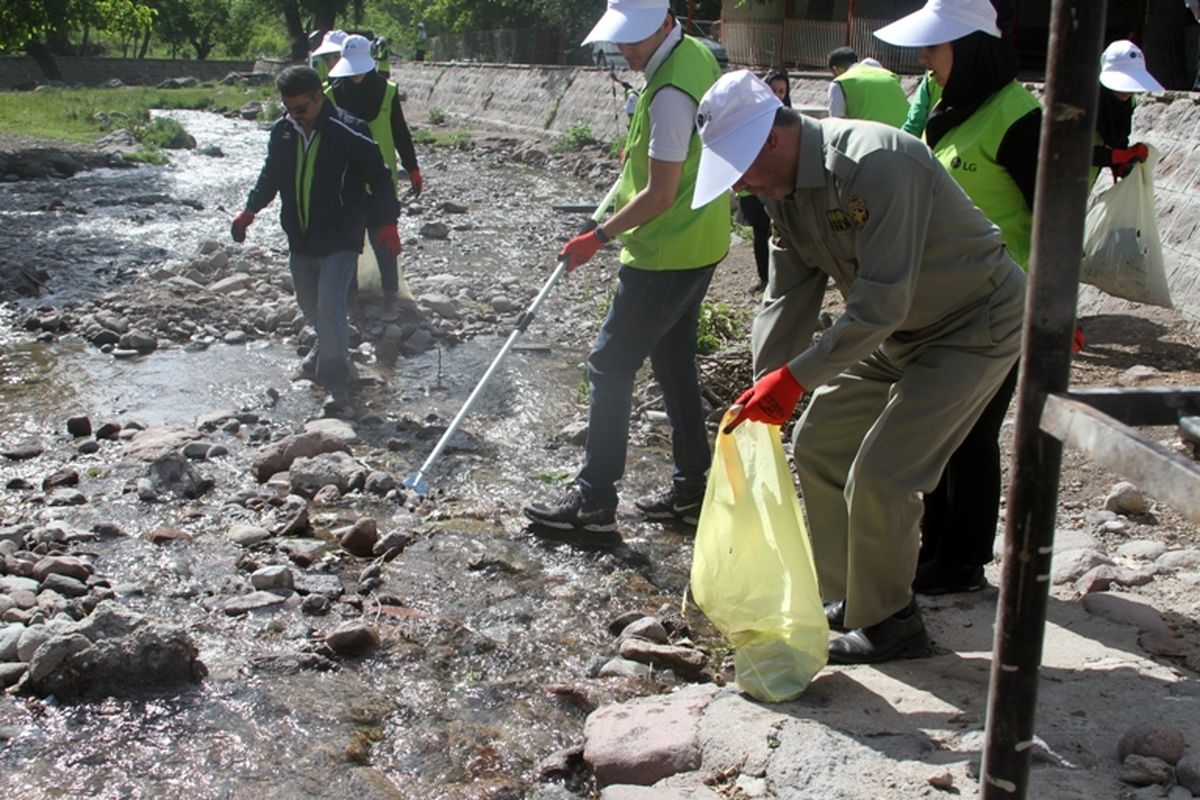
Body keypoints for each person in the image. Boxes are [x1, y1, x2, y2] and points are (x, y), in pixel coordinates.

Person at [691, 69, 1025, 663]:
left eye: (741, 166)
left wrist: (794, 379)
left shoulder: (876, 161)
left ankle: (894, 624)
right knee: (819, 440)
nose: (741, 184)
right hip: (896, 332)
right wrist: (762, 391)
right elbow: (785, 300)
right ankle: (851, 599)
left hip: (973, 323)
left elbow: (882, 301)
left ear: (773, 135)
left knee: (886, 473)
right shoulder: (782, 196)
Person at [523, 0, 729, 533]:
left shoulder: (668, 94)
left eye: (633, 39)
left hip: (664, 253)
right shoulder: (695, 55)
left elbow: (661, 193)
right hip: (701, 242)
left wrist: (598, 236)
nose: (625, 50)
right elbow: (676, 158)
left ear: (665, 23)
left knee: (609, 364)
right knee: (673, 363)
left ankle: (593, 503)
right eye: (622, 38)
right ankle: (692, 489)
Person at [875, 0, 1042, 595]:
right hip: (943, 302)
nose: (925, 60)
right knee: (943, 431)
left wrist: (1055, 307)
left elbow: (1055, 219)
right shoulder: (950, 109)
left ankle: (963, 560)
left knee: (973, 432)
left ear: (968, 48)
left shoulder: (1018, 118)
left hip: (1001, 304)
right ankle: (936, 548)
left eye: (934, 49)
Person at [231, 66, 401, 415]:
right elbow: (271, 175)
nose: (296, 116)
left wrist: (387, 224)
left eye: (301, 109)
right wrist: (250, 211)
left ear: (318, 97)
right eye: (288, 108)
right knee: (309, 305)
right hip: (301, 238)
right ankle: (327, 344)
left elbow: (381, 177)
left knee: (330, 306)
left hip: (341, 237)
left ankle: (337, 385)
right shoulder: (283, 132)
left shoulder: (349, 131)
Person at [327, 34, 424, 316]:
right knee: (348, 240)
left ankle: (391, 294)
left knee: (385, 238)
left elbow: (400, 133)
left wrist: (413, 167)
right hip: (345, 182)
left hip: (382, 180)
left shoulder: (387, 91)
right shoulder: (330, 94)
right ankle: (351, 296)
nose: (355, 74)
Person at [738, 67, 790, 292]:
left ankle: (782, 279)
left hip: (778, 185)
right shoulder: (751, 115)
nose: (777, 95)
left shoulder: (789, 118)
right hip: (753, 186)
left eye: (781, 91)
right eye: (773, 90)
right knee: (760, 232)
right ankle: (764, 278)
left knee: (783, 232)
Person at [1092, 40, 1162, 186]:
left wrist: (1123, 164)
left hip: (1082, 188)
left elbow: (1118, 140)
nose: (1128, 92)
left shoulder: (1129, 102)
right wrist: (1121, 156)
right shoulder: (1086, 99)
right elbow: (1075, 151)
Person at [825, 47, 908, 127]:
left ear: (836, 69)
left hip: (875, 137)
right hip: (907, 134)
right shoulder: (889, 75)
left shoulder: (840, 83)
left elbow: (837, 124)